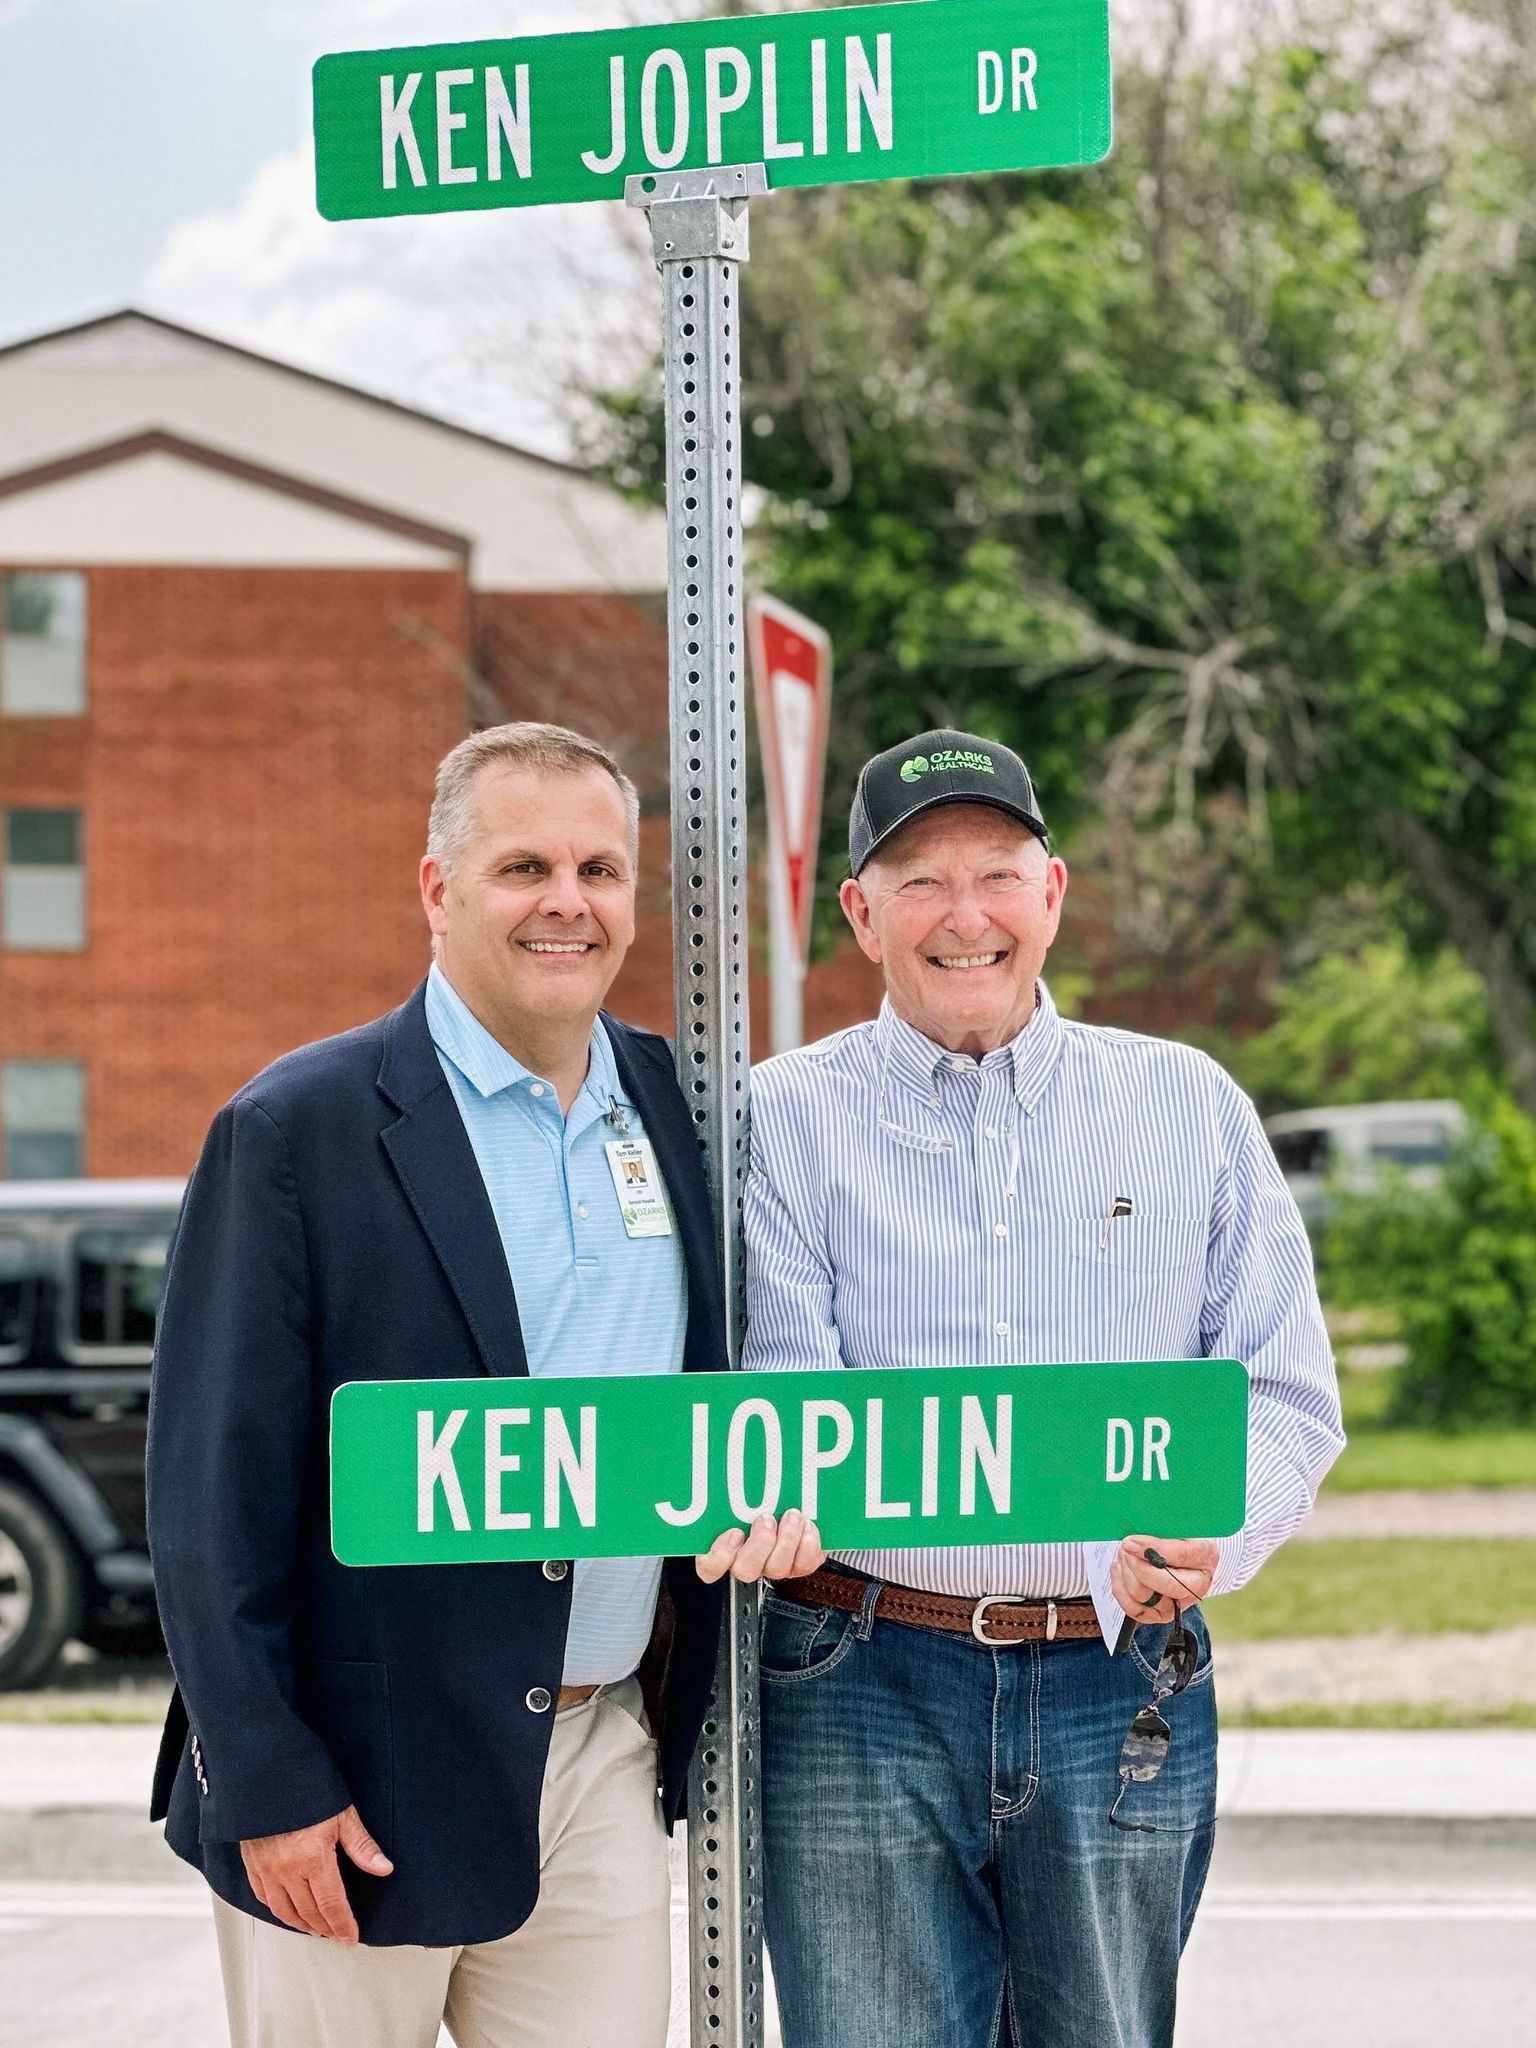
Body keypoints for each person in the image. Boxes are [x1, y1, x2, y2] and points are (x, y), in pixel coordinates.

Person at [742, 728, 1345, 2048]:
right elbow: (784, 1397)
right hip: (857, 1677)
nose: (965, 917)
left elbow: (1285, 1392)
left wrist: (1216, 1531)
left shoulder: (1187, 1105)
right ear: (859, 914)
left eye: (998, 875)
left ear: (1053, 892)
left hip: (1116, 1675)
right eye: (918, 882)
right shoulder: (776, 1119)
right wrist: (771, 1499)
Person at [148, 721, 741, 2048]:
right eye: (523, 865)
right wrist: (267, 1781)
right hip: (358, 1772)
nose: (566, 902)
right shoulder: (296, 1132)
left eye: (598, 869)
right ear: (437, 889)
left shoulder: (676, 1101)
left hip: (598, 1756)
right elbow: (207, 1495)